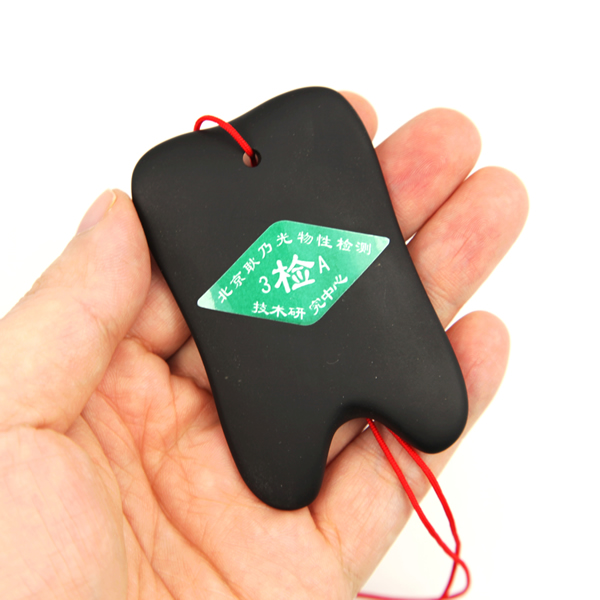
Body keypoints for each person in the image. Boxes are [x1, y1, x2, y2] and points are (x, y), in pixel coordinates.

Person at [0, 93, 528, 599]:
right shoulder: (184, 186)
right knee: (301, 468)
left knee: (421, 417)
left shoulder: (310, 134)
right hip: (256, 444)